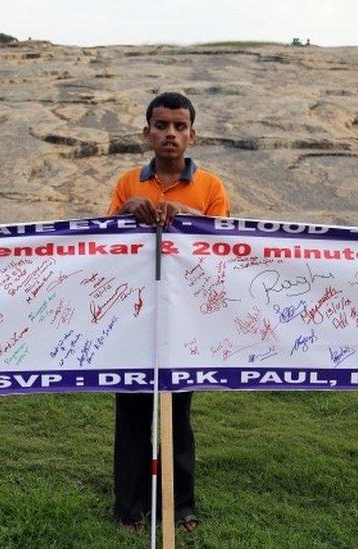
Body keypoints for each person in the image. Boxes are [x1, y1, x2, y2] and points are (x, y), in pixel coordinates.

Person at [107, 92, 230, 534]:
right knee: (133, 413)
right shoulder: (128, 182)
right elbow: (105, 245)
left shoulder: (210, 187)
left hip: (185, 320)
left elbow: (224, 244)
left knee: (177, 415)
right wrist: (125, 212)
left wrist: (188, 215)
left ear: (192, 135)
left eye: (179, 127)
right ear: (147, 133)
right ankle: (130, 508)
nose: (170, 135)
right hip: (135, 316)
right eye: (161, 126)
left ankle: (181, 507)